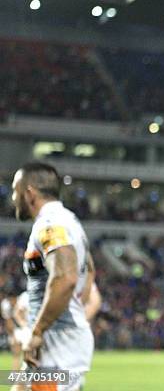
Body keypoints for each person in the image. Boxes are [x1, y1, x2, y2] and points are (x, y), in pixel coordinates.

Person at [11, 162, 94, 391]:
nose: (12, 198)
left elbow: (65, 278)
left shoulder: (51, 224)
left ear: (29, 193)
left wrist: (37, 331)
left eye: (14, 191)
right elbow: (90, 271)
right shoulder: (70, 221)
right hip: (57, 338)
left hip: (56, 343)